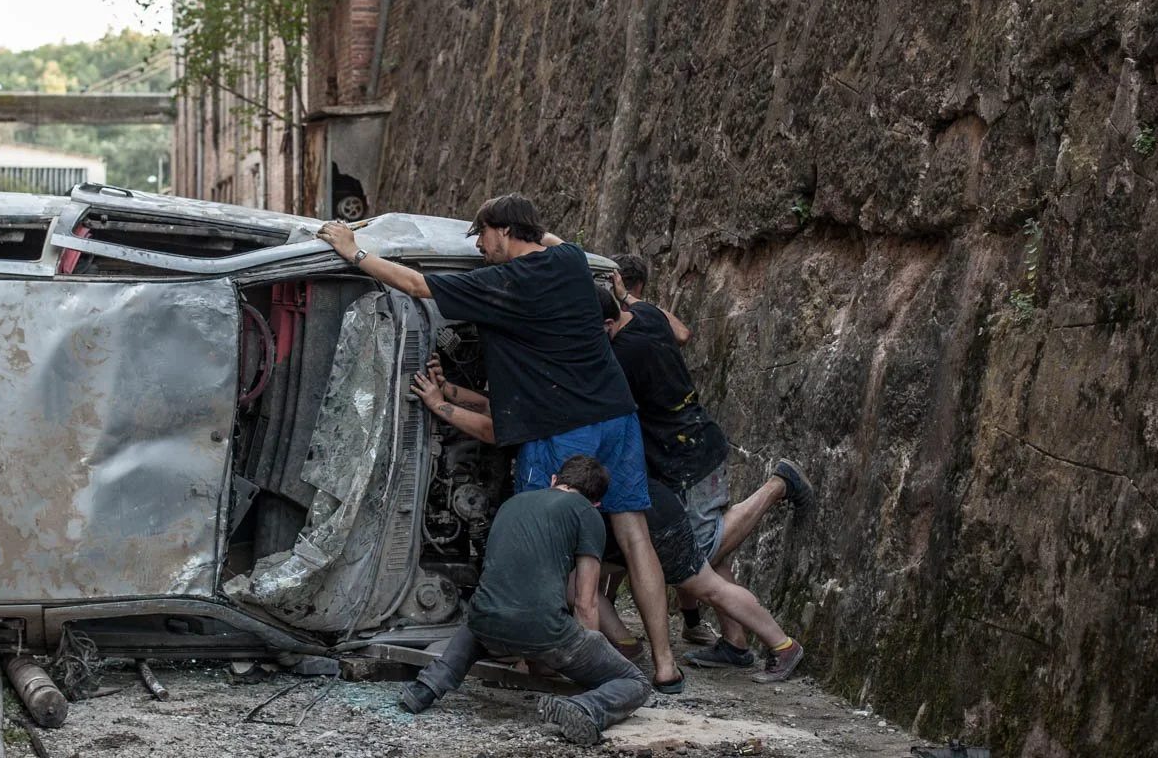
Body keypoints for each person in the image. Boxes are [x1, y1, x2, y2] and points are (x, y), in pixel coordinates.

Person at [317, 195, 682, 692]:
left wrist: (352, 251)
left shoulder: (503, 282)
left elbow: (417, 284)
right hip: (616, 415)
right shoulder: (572, 261)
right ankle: (665, 664)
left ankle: (559, 664)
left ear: (504, 231)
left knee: (545, 542)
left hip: (561, 427)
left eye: (482, 235)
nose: (480, 245)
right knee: (635, 534)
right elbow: (550, 239)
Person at [601, 259, 815, 668]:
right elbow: (682, 331)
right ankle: (735, 646)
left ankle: (777, 486)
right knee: (710, 555)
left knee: (700, 549)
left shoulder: (623, 354)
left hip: (687, 454)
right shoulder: (644, 315)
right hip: (691, 441)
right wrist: (627, 296)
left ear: (607, 325)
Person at [397, 455, 653, 745]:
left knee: (484, 616)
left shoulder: (513, 503)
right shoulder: (587, 514)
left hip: (486, 625)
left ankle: (427, 687)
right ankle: (586, 707)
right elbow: (585, 602)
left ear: (554, 481)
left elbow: (502, 583)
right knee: (635, 682)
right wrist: (586, 671)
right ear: (596, 502)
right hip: (542, 631)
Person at [639, 477, 805, 683]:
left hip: (659, 490)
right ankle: (736, 644)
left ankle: (782, 645)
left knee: (705, 566)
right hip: (658, 487)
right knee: (701, 568)